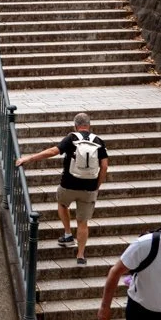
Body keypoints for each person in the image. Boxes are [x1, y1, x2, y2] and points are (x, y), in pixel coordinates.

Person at [16, 112, 107, 265]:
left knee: (62, 204)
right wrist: (97, 185)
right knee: (83, 222)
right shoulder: (98, 141)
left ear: (75, 125)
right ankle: (80, 255)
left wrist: (28, 159)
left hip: (68, 184)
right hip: (89, 188)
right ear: (89, 125)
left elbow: (52, 152)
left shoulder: (71, 138)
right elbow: (104, 166)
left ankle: (67, 234)